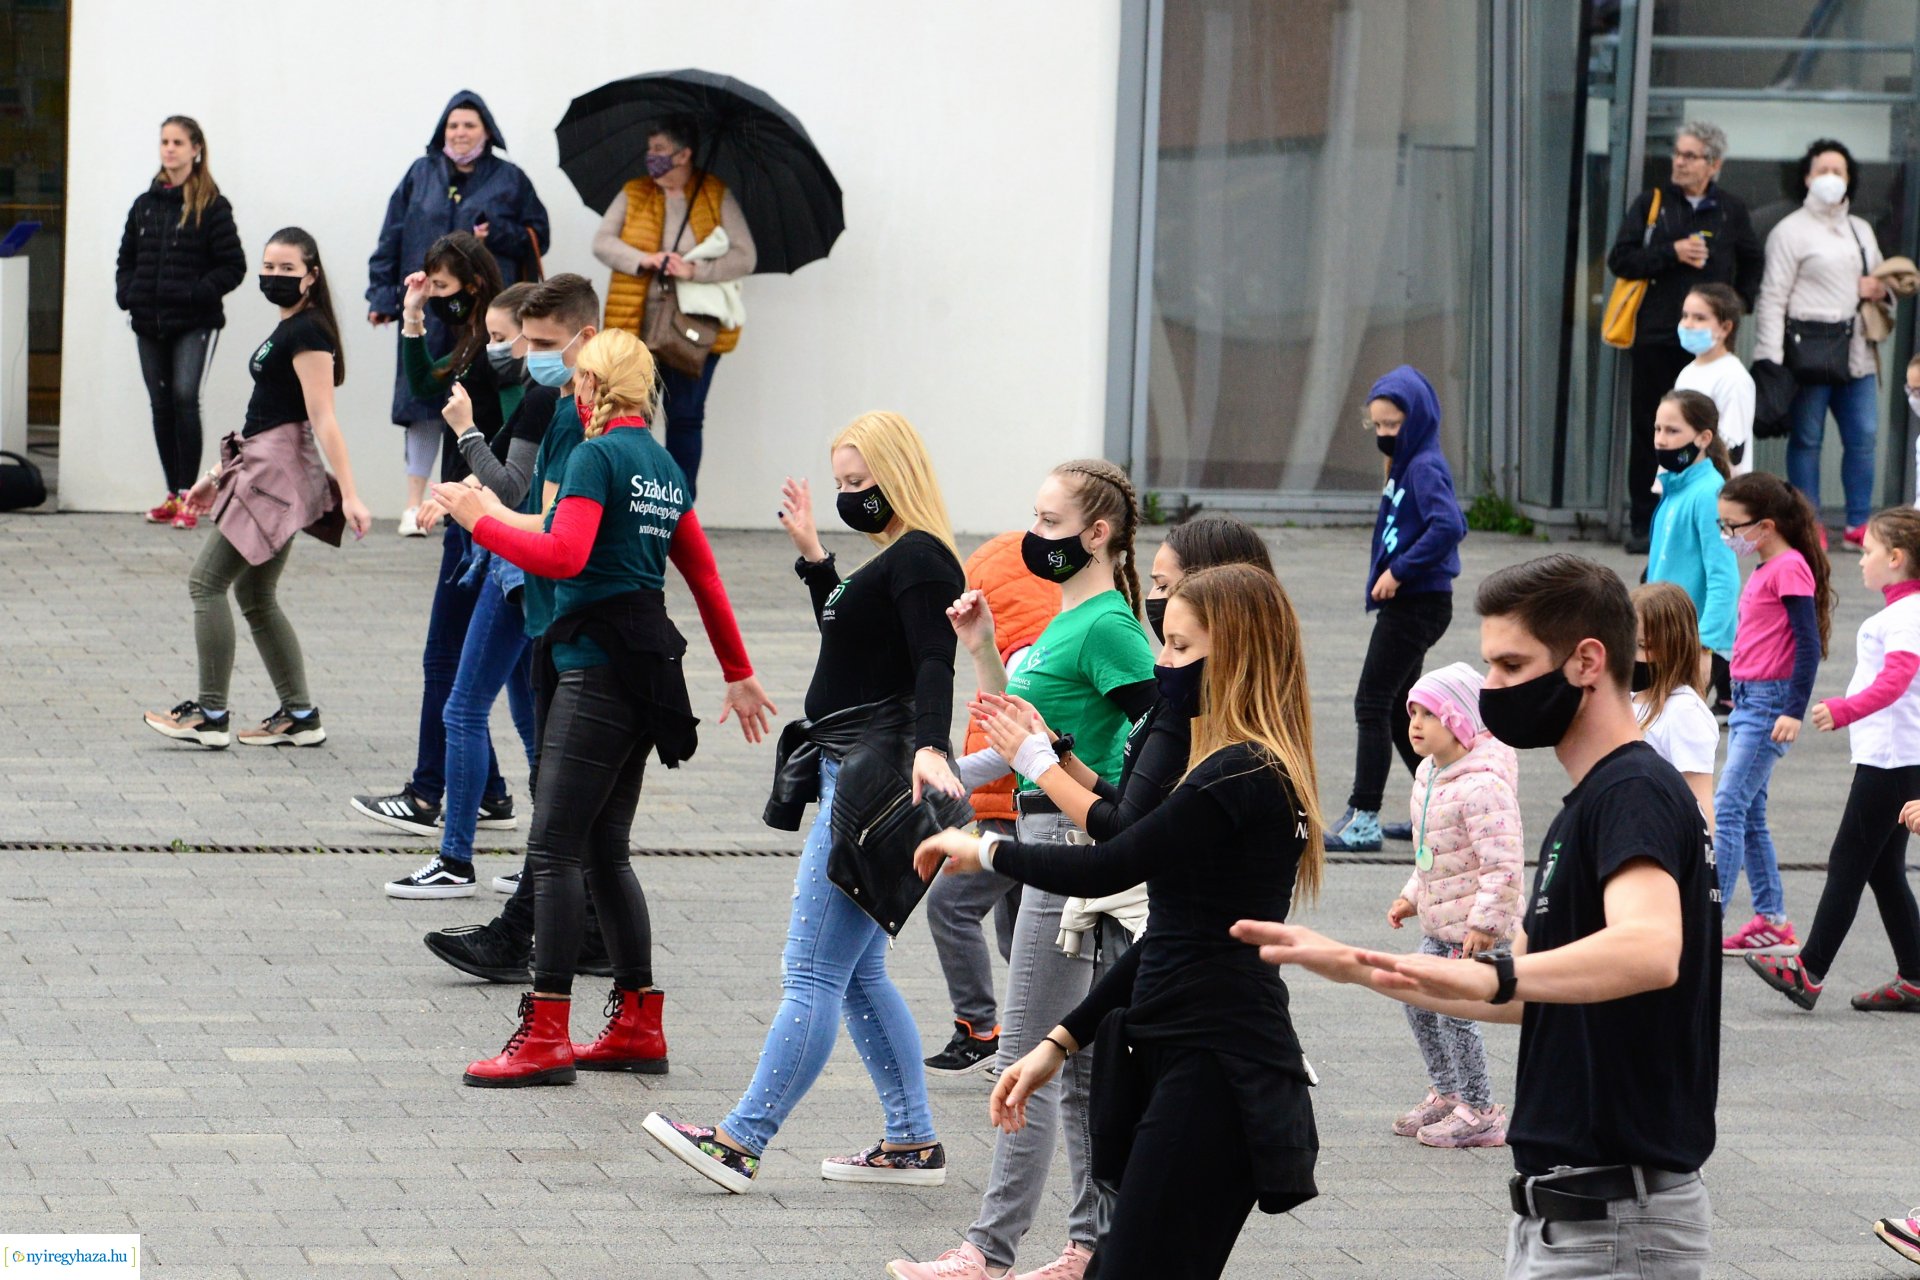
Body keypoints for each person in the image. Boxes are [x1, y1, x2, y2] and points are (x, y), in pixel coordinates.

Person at [1238, 552, 1720, 1279]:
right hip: (1571, 1214)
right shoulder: (1590, 802)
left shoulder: (1633, 793)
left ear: (1587, 661)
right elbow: (1524, 994)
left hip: (1615, 1221)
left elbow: (1650, 949)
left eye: (1508, 665)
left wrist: (1497, 976)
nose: (1490, 689)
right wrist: (1362, 967)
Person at [910, 564, 1323, 1280]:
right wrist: (1060, 1042)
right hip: (1187, 1047)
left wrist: (986, 847)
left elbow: (1111, 863)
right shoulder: (1225, 766)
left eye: (1180, 648)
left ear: (1237, 655)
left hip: (1219, 1062)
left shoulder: (1241, 774)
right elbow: (1173, 935)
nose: (1162, 664)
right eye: (1164, 644)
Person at [433, 327, 774, 1085]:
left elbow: (564, 555)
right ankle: (636, 1024)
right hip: (645, 667)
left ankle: (546, 1032)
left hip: (593, 666)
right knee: (602, 849)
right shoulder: (659, 463)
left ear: (591, 389)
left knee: (555, 847)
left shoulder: (593, 456)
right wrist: (737, 670)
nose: (570, 393)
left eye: (577, 381)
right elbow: (705, 575)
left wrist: (477, 521)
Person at [642, 412, 967, 1188]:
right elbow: (854, 645)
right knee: (855, 973)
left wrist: (930, 744)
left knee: (811, 972)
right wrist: (817, 558)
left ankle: (740, 1139)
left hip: (876, 780)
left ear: (899, 474)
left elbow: (932, 659)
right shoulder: (896, 557)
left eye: (860, 482)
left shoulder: (922, 559)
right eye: (843, 484)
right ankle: (911, 1141)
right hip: (856, 769)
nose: (851, 495)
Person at [892, 460, 1157, 1277]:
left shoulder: (1109, 625)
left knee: (1028, 1060)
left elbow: (1160, 740)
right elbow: (1017, 729)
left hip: (1070, 847)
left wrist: (1080, 776)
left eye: (1048, 522)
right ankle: (1087, 1246)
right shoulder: (1062, 618)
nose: (1033, 535)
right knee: (1066, 1066)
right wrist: (980, 654)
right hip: (1044, 832)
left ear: (1097, 533)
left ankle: (988, 1250)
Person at [416, 274, 621, 966]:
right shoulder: (558, 403)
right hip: (551, 602)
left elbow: (544, 520)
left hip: (552, 600)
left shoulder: (584, 422)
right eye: (511, 339)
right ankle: (589, 942)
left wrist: (480, 508)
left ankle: (470, 876)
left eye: (532, 342)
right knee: (567, 786)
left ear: (585, 341)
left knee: (483, 719)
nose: (519, 354)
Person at [143, 228, 373, 749]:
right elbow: (266, 414)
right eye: (269, 267)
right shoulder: (291, 327)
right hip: (266, 468)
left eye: (287, 269)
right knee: (255, 593)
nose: (274, 276)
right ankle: (300, 715)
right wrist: (211, 478)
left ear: (311, 276)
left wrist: (352, 494)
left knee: (207, 583)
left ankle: (210, 713)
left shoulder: (309, 333)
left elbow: (323, 419)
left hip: (276, 476)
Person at [363, 280, 556, 892]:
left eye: (504, 338)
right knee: (531, 721)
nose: (495, 349)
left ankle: (456, 859)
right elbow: (496, 481)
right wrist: (453, 499)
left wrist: (467, 433)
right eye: (492, 337)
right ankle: (541, 859)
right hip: (519, 560)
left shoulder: (544, 397)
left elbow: (512, 485)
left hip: (514, 566)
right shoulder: (543, 393)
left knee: (465, 706)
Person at [1748, 507, 1920, 1012]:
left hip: (1890, 759)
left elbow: (1896, 680)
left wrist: (1845, 709)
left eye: (1867, 552)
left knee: (1849, 859)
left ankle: (1809, 969)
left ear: (1896, 558)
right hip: (1900, 755)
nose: (1860, 561)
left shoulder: (1902, 617)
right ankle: (1914, 974)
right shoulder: (1905, 613)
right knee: (1884, 866)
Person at [367, 90, 549, 534]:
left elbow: (538, 235)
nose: (460, 132)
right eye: (453, 125)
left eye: (469, 124)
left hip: (486, 308)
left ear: (487, 131)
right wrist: (386, 298)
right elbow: (391, 234)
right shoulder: (421, 173)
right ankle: (417, 503)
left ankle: (478, 495)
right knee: (422, 402)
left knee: (485, 394)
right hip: (434, 305)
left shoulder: (510, 179)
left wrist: (498, 232)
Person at [921, 530, 1057, 1077]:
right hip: (1012, 807)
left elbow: (1012, 753)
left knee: (951, 907)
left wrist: (945, 775)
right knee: (1021, 935)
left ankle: (980, 1029)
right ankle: (1042, 1038)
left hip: (1012, 810)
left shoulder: (1024, 654)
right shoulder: (1022, 647)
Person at [1327, 366, 1467, 852]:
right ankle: (1440, 810)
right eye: (1379, 427)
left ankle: (1363, 817)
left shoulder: (1424, 465)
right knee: (1397, 710)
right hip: (1415, 602)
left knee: (1372, 702)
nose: (1385, 435)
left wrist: (1399, 571)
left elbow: (1449, 526)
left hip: (1417, 602)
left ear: (1418, 419)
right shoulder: (1408, 463)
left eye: (1394, 426)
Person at [1606, 120, 1764, 552]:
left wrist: (1738, 304)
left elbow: (1753, 260)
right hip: (1658, 336)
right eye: (1677, 153)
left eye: (1690, 155)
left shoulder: (1731, 209)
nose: (1679, 161)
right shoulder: (1653, 204)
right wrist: (1670, 252)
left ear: (1714, 164)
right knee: (1652, 431)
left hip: (1710, 347)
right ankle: (1646, 520)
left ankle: (1713, 514)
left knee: (1706, 432)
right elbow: (1621, 259)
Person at [1383, 662, 1521, 1150]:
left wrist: (1487, 923)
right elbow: (1434, 855)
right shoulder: (1430, 774)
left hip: (1473, 929)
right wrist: (1410, 896)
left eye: (1429, 715)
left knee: (1455, 1012)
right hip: (1442, 921)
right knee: (1418, 1000)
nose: (1415, 724)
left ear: (1460, 720)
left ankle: (1481, 1110)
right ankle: (1447, 1092)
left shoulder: (1483, 786)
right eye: (1412, 713)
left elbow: (1503, 864)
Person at [594, 116, 756, 498]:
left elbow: (745, 255)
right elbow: (602, 242)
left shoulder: (714, 193)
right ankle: (636, 501)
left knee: (685, 416)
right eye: (650, 150)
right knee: (634, 416)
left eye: (661, 151)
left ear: (685, 155)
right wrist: (644, 258)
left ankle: (681, 504)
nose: (652, 158)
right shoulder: (635, 192)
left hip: (692, 328)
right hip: (635, 324)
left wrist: (695, 269)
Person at [1752, 137, 1892, 548]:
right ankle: (1808, 522)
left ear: (1850, 179)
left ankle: (1857, 523)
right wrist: (1770, 360)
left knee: (1863, 436)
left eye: (1839, 171)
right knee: (1807, 438)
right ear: (1807, 177)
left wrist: (1879, 289)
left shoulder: (1861, 228)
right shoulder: (1788, 231)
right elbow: (1773, 297)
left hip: (1857, 351)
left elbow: (1885, 282)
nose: (1831, 178)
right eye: (1822, 170)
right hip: (1806, 350)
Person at [1715, 472, 1833, 957]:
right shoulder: (1768, 567)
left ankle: (1705, 919)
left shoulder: (1788, 568)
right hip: (1748, 700)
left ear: (1765, 526)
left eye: (1733, 527)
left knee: (1726, 808)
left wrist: (1793, 711)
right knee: (1749, 813)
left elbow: (1808, 646)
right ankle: (1771, 921)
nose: (1729, 537)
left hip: (1768, 705)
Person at [117, 115, 246, 529]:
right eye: (164, 142)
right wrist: (128, 294)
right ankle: (173, 494)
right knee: (161, 405)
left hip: (194, 322)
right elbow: (126, 261)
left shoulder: (212, 205)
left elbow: (233, 266)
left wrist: (195, 294)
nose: (169, 149)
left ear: (196, 149)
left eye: (177, 142)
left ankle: (191, 496)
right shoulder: (144, 205)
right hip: (148, 321)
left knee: (185, 398)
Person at [1647, 388, 1740, 714]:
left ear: (1703, 438)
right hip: (1663, 635)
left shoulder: (1707, 494)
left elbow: (1724, 576)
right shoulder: (1674, 487)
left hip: (1691, 643)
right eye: (1658, 429)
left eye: (1672, 431)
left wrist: (1703, 645)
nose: (1661, 439)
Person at [1631, 583, 1721, 827]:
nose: (1632, 656)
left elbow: (1699, 805)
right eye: (1629, 643)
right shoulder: (1629, 699)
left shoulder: (1683, 712)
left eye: (1643, 646)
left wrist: (1699, 864)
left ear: (1673, 646)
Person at [1673, 283, 1756, 478]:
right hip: (1684, 481)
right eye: (1685, 316)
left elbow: (1730, 446)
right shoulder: (1688, 372)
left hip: (1718, 490)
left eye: (1699, 318)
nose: (1688, 324)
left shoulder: (1733, 377)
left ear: (1726, 327)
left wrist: (1680, 460)